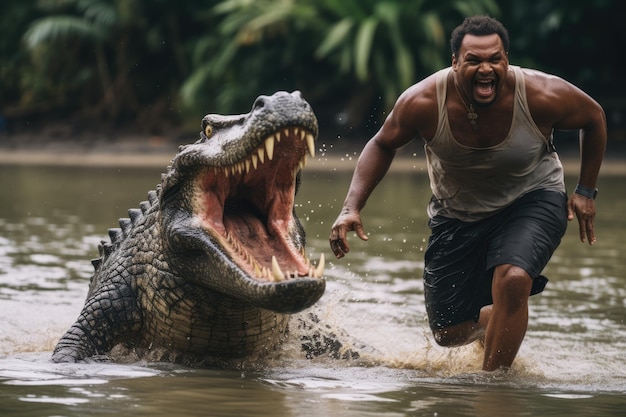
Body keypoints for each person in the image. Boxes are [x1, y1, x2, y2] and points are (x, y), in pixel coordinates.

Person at [329, 15, 606, 371]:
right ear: (455, 63)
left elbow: (594, 117)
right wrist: (352, 206)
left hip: (532, 197)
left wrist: (585, 191)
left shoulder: (540, 93)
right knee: (448, 334)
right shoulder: (423, 101)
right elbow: (382, 144)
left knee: (514, 278)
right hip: (457, 213)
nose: (486, 69)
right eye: (474, 60)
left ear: (507, 58)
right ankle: (494, 319)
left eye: (495, 59)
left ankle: (493, 390)